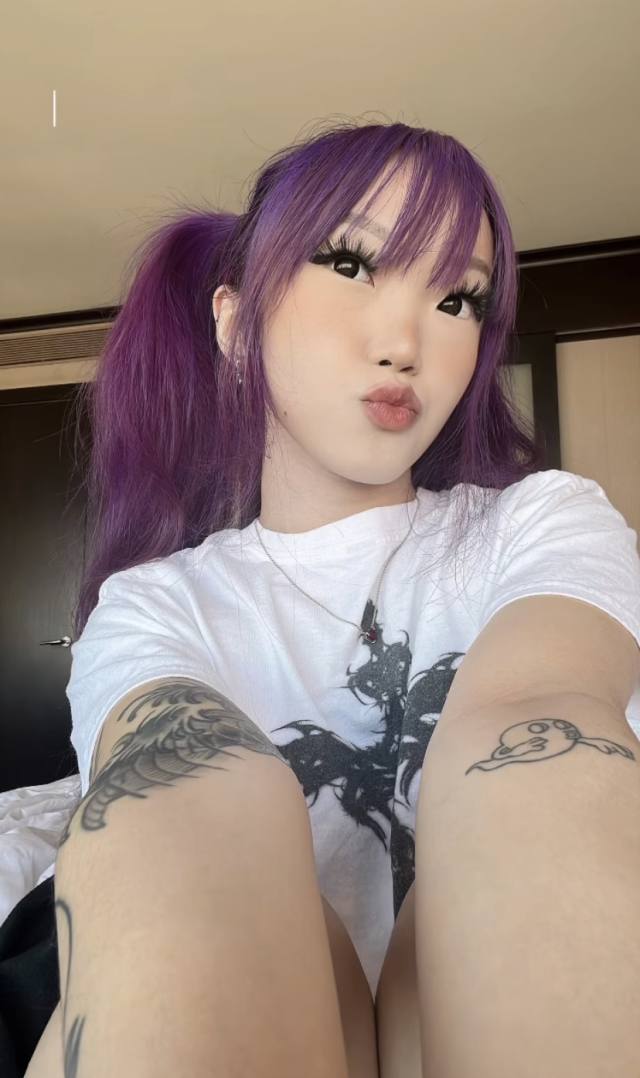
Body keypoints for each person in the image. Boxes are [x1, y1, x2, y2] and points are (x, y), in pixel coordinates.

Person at [26, 119, 640, 1078]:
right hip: (274, 994)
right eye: (351, 264)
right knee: (171, 824)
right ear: (236, 322)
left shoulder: (543, 521)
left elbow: (541, 708)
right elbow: (172, 787)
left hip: (491, 976)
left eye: (457, 298)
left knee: (543, 777)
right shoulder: (155, 605)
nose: (404, 343)